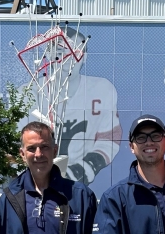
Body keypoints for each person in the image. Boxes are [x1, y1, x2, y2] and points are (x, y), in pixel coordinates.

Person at [22, 27, 122, 187]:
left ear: (84, 57)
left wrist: (83, 169)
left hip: (79, 187)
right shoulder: (28, 93)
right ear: (48, 54)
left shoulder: (102, 89)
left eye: (74, 53)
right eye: (61, 52)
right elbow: (16, 146)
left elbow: (109, 138)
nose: (67, 59)